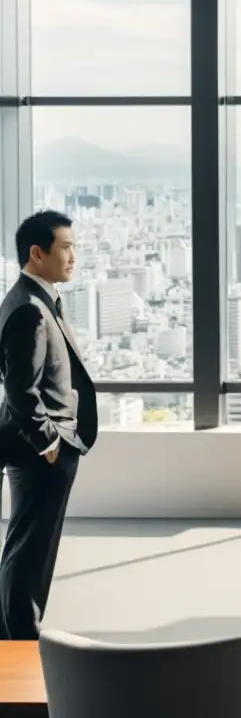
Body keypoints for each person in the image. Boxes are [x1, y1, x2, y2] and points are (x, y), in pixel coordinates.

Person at [0, 210, 97, 640]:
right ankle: (20, 645)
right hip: (41, 450)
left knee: (26, 549)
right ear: (37, 253)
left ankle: (12, 641)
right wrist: (49, 442)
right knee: (30, 555)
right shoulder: (31, 309)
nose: (74, 256)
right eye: (66, 247)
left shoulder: (29, 298)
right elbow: (21, 388)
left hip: (43, 446)